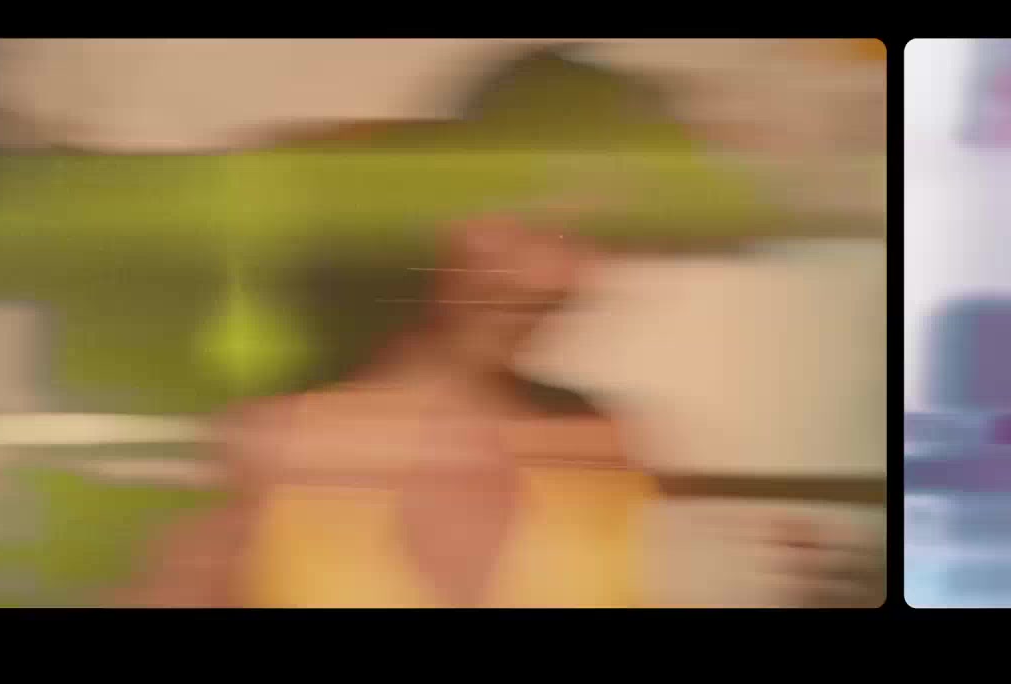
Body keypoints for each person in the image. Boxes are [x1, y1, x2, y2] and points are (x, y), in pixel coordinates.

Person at [114, 214, 880, 608]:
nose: (559, 272)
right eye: (522, 230)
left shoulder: (605, 448)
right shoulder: (277, 445)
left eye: (584, 241)